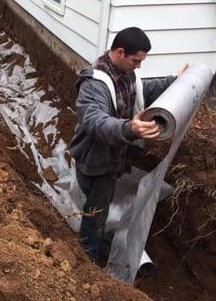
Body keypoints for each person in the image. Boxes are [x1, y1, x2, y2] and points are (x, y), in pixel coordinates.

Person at [69, 26, 187, 262]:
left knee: (96, 206)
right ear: (120, 52)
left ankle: (93, 238)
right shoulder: (94, 84)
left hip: (111, 155)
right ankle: (87, 257)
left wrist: (175, 82)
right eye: (136, 60)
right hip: (96, 160)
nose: (139, 66)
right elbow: (95, 120)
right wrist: (128, 128)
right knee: (96, 213)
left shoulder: (126, 75)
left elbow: (143, 90)